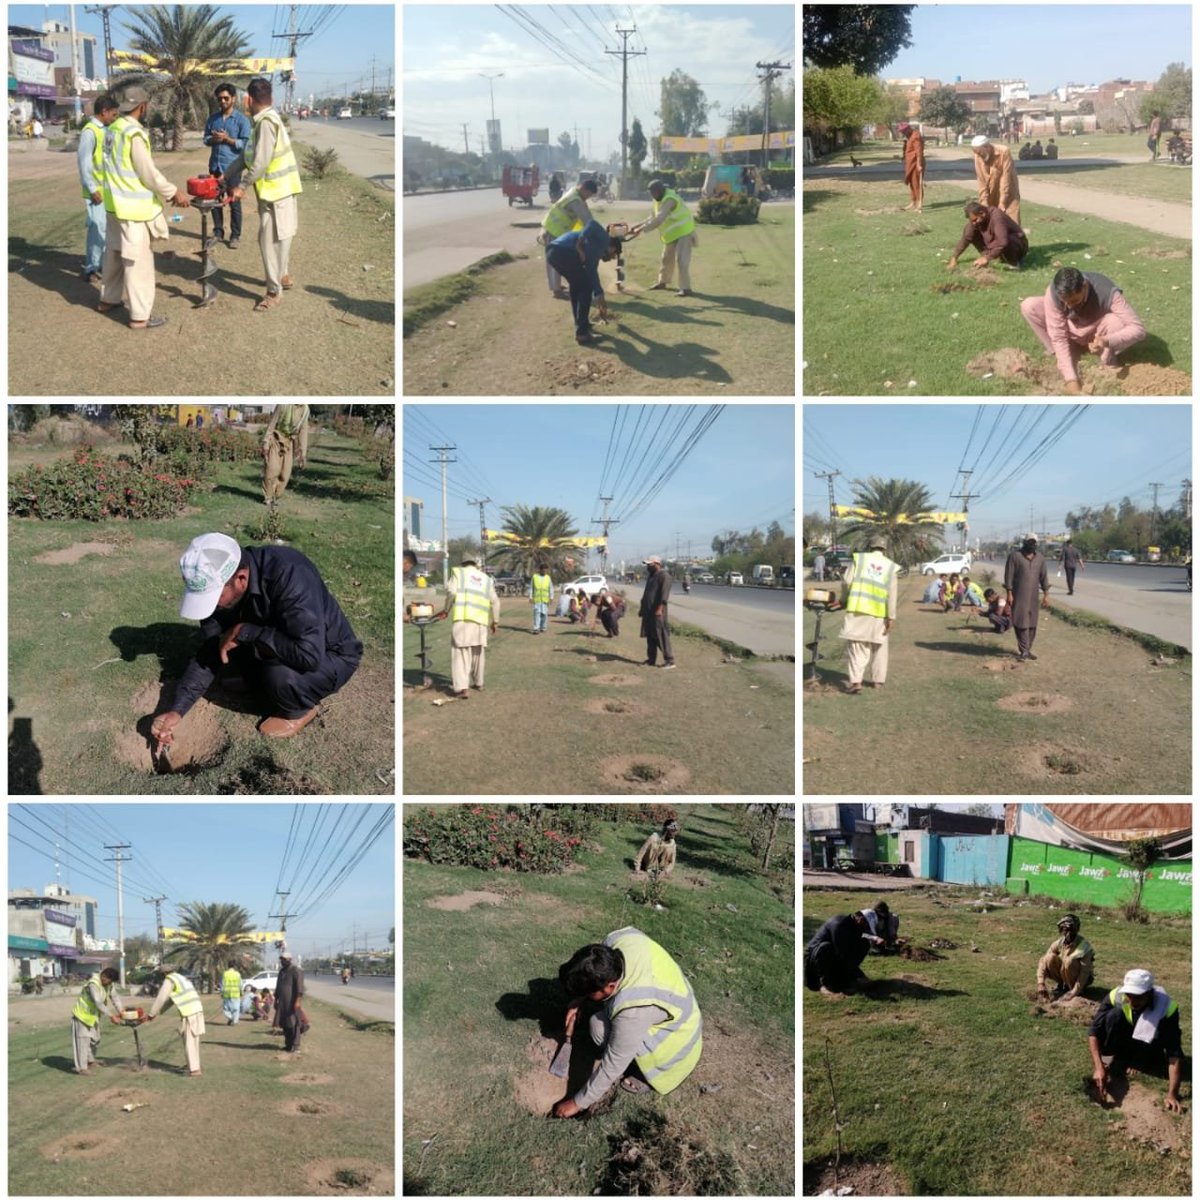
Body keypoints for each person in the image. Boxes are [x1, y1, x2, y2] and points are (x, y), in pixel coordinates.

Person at [150, 532, 363, 747]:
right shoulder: (223, 588)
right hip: (279, 639)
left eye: (214, 597)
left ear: (241, 578)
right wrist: (177, 710)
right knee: (226, 658)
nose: (211, 606)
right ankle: (258, 678)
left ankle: (298, 710)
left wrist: (246, 631)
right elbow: (210, 650)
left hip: (329, 653)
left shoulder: (290, 573)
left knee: (280, 675)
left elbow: (308, 655)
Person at [551, 928, 702, 1118]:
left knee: (600, 1030)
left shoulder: (634, 1011)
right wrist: (580, 999)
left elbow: (613, 1064)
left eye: (590, 992)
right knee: (598, 1024)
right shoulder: (618, 941)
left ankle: (642, 1073)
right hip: (675, 999)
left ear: (611, 986)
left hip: (675, 1048)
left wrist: (577, 1103)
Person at [98, 86, 192, 330]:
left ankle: (108, 300)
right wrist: (174, 193)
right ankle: (140, 316)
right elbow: (148, 174)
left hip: (113, 207)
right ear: (142, 106)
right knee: (138, 263)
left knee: (114, 257)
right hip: (133, 211)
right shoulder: (134, 134)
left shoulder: (112, 130)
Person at [218, 77, 302, 312]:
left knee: (269, 242)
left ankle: (274, 291)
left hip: (278, 193)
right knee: (281, 238)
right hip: (279, 192)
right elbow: (247, 156)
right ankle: (282, 275)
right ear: (271, 99)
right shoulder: (264, 121)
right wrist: (225, 176)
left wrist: (242, 185)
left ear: (248, 100)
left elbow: (261, 162)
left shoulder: (265, 123)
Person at [1020, 267, 1146, 394]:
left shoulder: (1107, 292)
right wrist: (1071, 380)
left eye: (1074, 300)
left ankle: (1107, 361)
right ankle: (1059, 354)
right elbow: (1058, 336)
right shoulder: (1053, 292)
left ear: (1084, 286)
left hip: (1097, 330)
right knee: (1029, 306)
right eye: (1065, 302)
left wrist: (1106, 340)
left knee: (1116, 322)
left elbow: (1138, 329)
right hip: (1071, 327)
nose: (1069, 306)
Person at [1089, 968, 1185, 1113]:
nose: (1132, 1000)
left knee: (1157, 1030)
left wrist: (1172, 1094)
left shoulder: (1167, 1008)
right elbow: (1094, 1031)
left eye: (1138, 996)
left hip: (1149, 1045)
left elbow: (1174, 1053)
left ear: (1149, 993)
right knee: (1113, 1016)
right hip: (1126, 1037)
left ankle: (1139, 1061)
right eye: (1130, 995)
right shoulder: (1117, 995)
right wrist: (1098, 1066)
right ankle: (1113, 1058)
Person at [835, 536, 898, 693]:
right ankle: (878, 681)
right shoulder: (890, 566)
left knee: (858, 647)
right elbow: (892, 593)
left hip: (859, 611)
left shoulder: (860, 560)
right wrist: (891, 617)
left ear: (870, 547)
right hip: (879, 613)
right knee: (879, 646)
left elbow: (846, 582)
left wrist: (843, 600)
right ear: (884, 549)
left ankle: (856, 682)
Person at [546, 218, 622, 346]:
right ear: (612, 247)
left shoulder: (595, 253)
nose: (612, 258)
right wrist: (580, 243)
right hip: (564, 251)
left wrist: (600, 295)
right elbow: (591, 223)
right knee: (585, 288)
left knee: (577, 286)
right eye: (614, 254)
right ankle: (582, 334)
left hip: (553, 253)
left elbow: (592, 273)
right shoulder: (604, 238)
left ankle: (581, 324)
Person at [437, 552, 500, 697]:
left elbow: (451, 593)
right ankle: (479, 683)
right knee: (478, 653)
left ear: (462, 563)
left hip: (463, 619)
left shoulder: (458, 574)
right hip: (481, 621)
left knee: (461, 653)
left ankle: (462, 688)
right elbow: (495, 601)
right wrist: (495, 621)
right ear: (475, 564)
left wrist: (446, 610)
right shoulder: (486, 578)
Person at [630, 178, 698, 297]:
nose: (652, 195)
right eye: (651, 193)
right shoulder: (657, 200)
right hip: (672, 234)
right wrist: (636, 226)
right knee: (666, 259)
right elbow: (651, 218)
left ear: (661, 190)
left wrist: (641, 230)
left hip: (684, 232)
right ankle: (662, 282)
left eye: (654, 193)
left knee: (682, 260)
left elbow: (659, 219)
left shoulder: (669, 199)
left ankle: (686, 289)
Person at [77, 94, 119, 283]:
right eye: (113, 114)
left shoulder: (106, 130)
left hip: (108, 190)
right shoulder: (90, 131)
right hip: (96, 192)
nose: (115, 117)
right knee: (97, 228)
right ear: (104, 112)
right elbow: (84, 162)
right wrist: (93, 188)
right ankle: (92, 267)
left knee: (107, 230)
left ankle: (102, 263)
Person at [203, 83, 250, 249]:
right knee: (215, 202)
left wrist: (227, 140)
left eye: (226, 98)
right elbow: (205, 139)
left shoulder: (241, 120)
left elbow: (245, 144)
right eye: (220, 98)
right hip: (215, 167)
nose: (222, 101)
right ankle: (218, 232)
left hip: (233, 168)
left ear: (233, 99)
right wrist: (213, 139)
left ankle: (235, 235)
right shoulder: (213, 119)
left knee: (234, 203)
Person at [540, 177, 598, 298]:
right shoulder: (575, 200)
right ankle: (556, 291)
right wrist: (597, 233)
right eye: (589, 195)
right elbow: (587, 219)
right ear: (585, 190)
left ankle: (556, 285)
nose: (588, 197)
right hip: (553, 230)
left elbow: (586, 215)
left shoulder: (575, 193)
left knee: (558, 259)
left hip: (557, 230)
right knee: (554, 260)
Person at [143, 967, 206, 1076]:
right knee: (192, 1040)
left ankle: (194, 1070)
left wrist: (151, 1014)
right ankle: (191, 1065)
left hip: (189, 1011)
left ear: (164, 973)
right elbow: (171, 1000)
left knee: (189, 1041)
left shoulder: (170, 980)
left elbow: (161, 998)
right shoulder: (180, 978)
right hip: (196, 1009)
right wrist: (157, 1013)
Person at [804, 910, 880, 996]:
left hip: (834, 958)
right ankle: (826, 986)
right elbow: (843, 954)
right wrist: (860, 975)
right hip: (813, 963)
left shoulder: (854, 927)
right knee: (825, 947)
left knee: (864, 943)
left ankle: (845, 979)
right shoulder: (839, 924)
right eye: (866, 927)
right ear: (861, 920)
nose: (866, 930)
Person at [71, 966, 126, 1075]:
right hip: (82, 1015)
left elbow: (114, 997)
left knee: (95, 1039)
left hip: (93, 1017)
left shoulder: (109, 984)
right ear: (103, 976)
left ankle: (91, 1061)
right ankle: (82, 1068)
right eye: (108, 981)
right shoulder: (93, 984)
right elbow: (98, 1002)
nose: (109, 984)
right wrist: (111, 1016)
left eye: (111, 982)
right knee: (83, 1042)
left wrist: (121, 1011)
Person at [1004, 533, 1051, 660]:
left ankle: (1027, 649)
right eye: (1029, 542)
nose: (1032, 545)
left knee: (1032, 623)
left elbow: (1044, 578)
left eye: (1034, 542)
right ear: (1024, 543)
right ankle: (1024, 650)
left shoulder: (1040, 559)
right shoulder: (1015, 556)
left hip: (1033, 596)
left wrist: (1046, 595)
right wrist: (1009, 593)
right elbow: (1008, 576)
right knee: (1020, 622)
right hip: (1019, 595)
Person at [946, 200, 1028, 272]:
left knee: (1007, 239)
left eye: (975, 220)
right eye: (972, 221)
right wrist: (954, 258)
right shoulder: (977, 220)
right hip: (997, 245)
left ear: (982, 213)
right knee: (970, 231)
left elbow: (1003, 242)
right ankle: (992, 257)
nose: (974, 222)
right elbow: (966, 238)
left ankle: (1014, 263)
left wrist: (987, 258)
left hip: (1018, 245)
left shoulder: (997, 216)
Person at [1036, 914, 1094, 1001]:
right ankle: (1062, 985)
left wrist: (1074, 992)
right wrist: (1041, 983)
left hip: (1080, 979)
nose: (1067, 933)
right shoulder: (1060, 942)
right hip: (1065, 974)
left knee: (1069, 961)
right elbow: (1043, 961)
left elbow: (1084, 973)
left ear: (1076, 930)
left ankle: (1074, 990)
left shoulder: (1084, 946)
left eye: (1070, 930)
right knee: (1049, 957)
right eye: (1065, 930)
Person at [261, 403, 310, 507]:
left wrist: (302, 454)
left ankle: (276, 496)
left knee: (285, 473)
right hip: (276, 439)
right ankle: (268, 497)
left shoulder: (305, 410)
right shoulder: (283, 404)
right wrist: (266, 443)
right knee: (272, 469)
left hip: (289, 442)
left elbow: (303, 432)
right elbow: (272, 424)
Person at [971, 135, 1021, 225]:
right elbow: (981, 180)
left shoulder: (1004, 151)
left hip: (1009, 192)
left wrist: (1002, 202)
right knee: (990, 223)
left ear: (987, 147)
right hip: (991, 192)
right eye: (976, 153)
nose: (979, 156)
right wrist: (984, 201)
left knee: (1013, 224)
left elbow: (1005, 178)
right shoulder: (977, 155)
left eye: (980, 153)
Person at [638, 555, 675, 669]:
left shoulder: (664, 576)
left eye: (650, 564)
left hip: (658, 612)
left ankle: (669, 660)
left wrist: (660, 608)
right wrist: (642, 608)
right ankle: (651, 659)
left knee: (660, 635)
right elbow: (646, 594)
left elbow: (664, 595)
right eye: (647, 565)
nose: (648, 567)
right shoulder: (651, 576)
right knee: (650, 636)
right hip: (648, 612)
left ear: (657, 564)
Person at [273, 947, 306, 1055]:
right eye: (281, 959)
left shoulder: (296, 970)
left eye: (284, 959)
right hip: (282, 1003)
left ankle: (295, 1046)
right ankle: (288, 1044)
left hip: (293, 1002)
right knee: (285, 1024)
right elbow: (278, 987)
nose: (282, 961)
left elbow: (300, 988)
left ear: (289, 960)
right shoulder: (282, 971)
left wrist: (297, 1001)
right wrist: (276, 1000)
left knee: (294, 1023)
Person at [903, 122, 925, 212]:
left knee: (916, 184)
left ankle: (919, 204)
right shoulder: (909, 135)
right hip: (910, 163)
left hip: (916, 163)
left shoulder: (916, 136)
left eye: (904, 131)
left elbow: (918, 151)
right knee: (912, 184)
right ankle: (913, 201)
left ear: (908, 129)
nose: (903, 133)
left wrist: (919, 164)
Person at [528, 561, 554, 634]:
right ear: (540, 569)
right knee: (537, 613)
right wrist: (530, 597)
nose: (545, 571)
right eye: (543, 569)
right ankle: (536, 628)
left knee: (544, 614)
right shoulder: (535, 577)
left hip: (545, 600)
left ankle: (543, 627)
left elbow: (550, 588)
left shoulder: (548, 578)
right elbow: (531, 588)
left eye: (546, 569)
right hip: (537, 599)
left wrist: (551, 598)